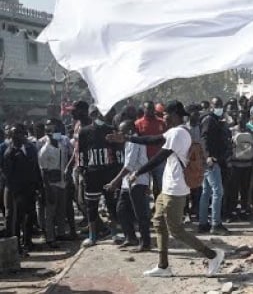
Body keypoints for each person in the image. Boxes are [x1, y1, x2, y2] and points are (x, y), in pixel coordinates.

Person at [107, 100, 224, 277]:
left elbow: (160, 157)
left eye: (165, 114)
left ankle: (213, 255)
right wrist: (127, 138)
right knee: (159, 222)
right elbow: (153, 140)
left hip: (176, 189)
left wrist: (137, 172)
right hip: (168, 187)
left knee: (176, 230)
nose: (163, 117)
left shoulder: (178, 133)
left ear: (175, 114)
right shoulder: (174, 131)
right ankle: (163, 266)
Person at [78, 105, 124, 247]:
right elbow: (81, 153)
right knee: (92, 205)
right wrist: (82, 170)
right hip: (92, 173)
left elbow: (118, 153)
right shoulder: (84, 131)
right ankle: (93, 236)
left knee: (111, 203)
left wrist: (118, 173)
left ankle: (114, 233)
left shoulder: (111, 130)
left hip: (109, 171)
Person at [104, 120, 151, 252]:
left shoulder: (134, 141)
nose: (120, 133)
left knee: (140, 213)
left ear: (130, 131)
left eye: (122, 131)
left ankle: (145, 242)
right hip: (128, 182)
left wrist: (114, 182)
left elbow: (129, 165)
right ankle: (130, 237)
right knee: (121, 209)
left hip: (138, 180)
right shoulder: (129, 141)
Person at [1, 124, 43, 253]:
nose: (16, 137)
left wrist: (39, 187)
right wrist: (14, 192)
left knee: (29, 215)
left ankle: (27, 241)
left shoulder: (30, 148)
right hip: (15, 190)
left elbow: (36, 168)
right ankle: (16, 245)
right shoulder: (9, 152)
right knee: (15, 218)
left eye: (18, 134)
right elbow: (7, 174)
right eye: (13, 134)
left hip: (29, 188)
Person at [38, 119, 73, 248]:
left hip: (62, 182)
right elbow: (44, 173)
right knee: (50, 213)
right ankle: (50, 238)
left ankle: (61, 233)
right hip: (51, 185)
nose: (57, 133)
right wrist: (47, 189)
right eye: (54, 131)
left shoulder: (61, 145)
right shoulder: (44, 151)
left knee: (61, 210)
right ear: (48, 133)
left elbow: (68, 159)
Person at [199, 97, 230, 235]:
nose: (219, 107)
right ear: (211, 106)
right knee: (218, 191)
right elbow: (204, 138)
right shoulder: (209, 120)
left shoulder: (216, 120)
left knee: (206, 192)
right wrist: (208, 157)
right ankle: (215, 224)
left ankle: (203, 223)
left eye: (220, 105)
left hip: (213, 159)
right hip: (211, 161)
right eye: (216, 105)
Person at [135, 101, 167, 208]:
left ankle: (160, 208)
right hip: (144, 160)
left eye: (152, 108)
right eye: (148, 108)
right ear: (144, 109)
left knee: (160, 185)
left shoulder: (161, 122)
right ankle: (146, 210)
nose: (150, 111)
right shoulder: (138, 124)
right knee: (145, 187)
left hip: (159, 159)